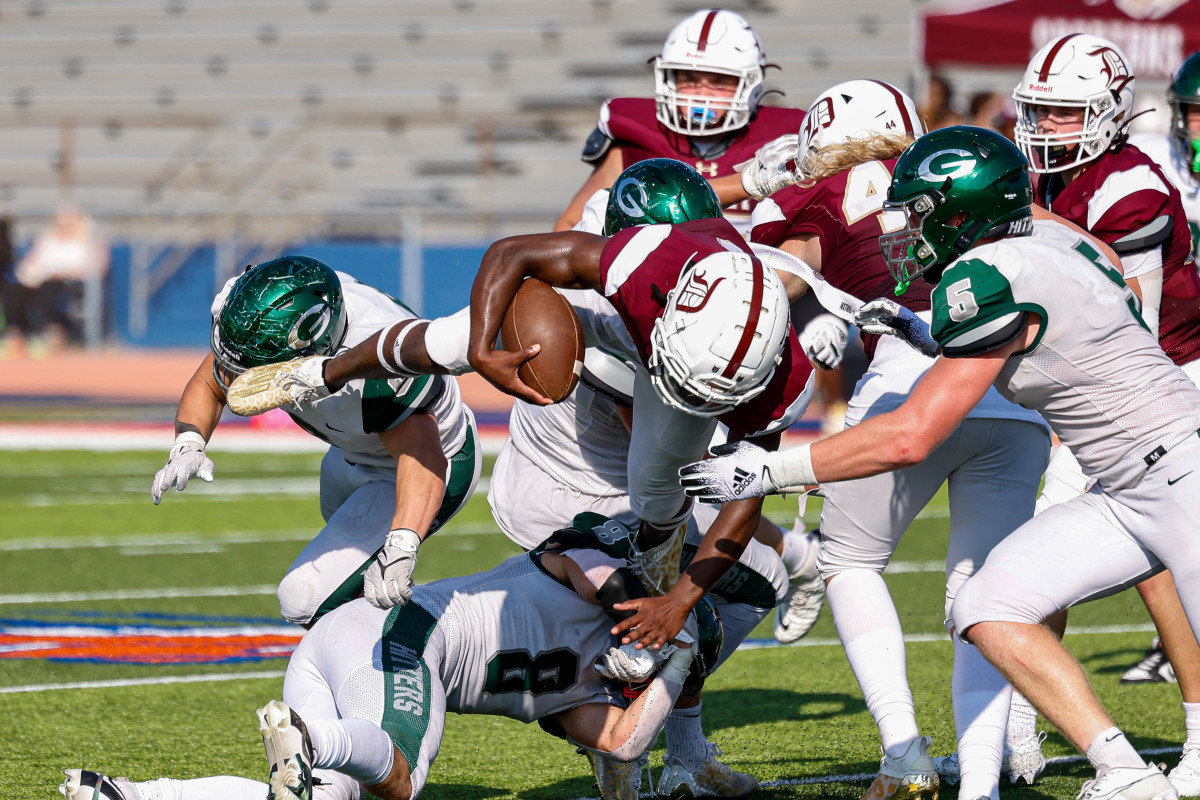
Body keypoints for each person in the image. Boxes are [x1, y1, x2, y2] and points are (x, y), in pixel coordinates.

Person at [677, 125, 1200, 800]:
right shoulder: (1059, 238)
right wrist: (920, 330)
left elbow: (909, 437)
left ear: (962, 211)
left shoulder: (987, 273)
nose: (906, 231)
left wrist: (766, 471)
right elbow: (1079, 306)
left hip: (1181, 473)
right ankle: (1125, 773)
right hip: (1127, 484)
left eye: (919, 211)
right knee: (988, 604)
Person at [749, 80, 1051, 800]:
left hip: (905, 384)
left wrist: (814, 298)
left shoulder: (816, 199)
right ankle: (980, 786)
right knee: (985, 593)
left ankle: (904, 753)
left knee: (848, 560)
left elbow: (759, 278)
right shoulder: (971, 168)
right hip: (1010, 391)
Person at [61, 517, 741, 800]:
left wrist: (674, 661)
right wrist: (651, 622)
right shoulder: (592, 568)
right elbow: (581, 559)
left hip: (359, 648)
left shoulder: (586, 698)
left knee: (323, 797)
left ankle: (130, 792)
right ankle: (310, 738)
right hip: (402, 635)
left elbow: (624, 748)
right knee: (402, 778)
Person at [1007, 34, 1200, 791]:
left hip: (1162, 382)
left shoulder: (1132, 189)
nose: (1047, 128)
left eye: (1065, 114)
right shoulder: (1040, 178)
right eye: (1041, 112)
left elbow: (1135, 326)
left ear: (1109, 115)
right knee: (1026, 563)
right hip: (1083, 385)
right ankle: (1015, 738)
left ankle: (1196, 740)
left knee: (1165, 570)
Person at [152, 255, 480, 626]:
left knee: (306, 597)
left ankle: (441, 638)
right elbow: (213, 380)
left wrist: (403, 545)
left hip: (427, 465)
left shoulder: (372, 371)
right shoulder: (270, 314)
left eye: (258, 369)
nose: (242, 379)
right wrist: (189, 442)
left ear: (312, 349)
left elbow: (422, 454)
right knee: (346, 588)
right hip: (352, 450)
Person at [555, 8, 805, 234]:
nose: (702, 94)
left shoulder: (787, 138)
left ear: (752, 86)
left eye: (720, 82)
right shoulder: (636, 135)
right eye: (689, 78)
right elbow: (569, 227)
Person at [1122, 48, 1200, 706]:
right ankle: (1172, 643)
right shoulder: (1154, 164)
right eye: (1195, 114)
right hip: (1155, 358)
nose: (1199, 129)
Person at [12, 203, 109, 355]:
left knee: (49, 291)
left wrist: (65, 273)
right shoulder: (47, 239)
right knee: (17, 290)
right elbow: (32, 261)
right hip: (44, 280)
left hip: (74, 283)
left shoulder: (88, 240)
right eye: (61, 222)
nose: (65, 226)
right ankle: (22, 334)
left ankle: (53, 335)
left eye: (69, 222)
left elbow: (99, 267)